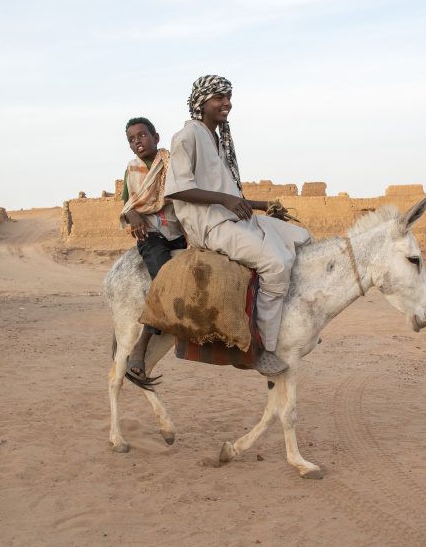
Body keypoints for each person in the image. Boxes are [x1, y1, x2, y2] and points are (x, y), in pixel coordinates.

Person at [164, 75, 311, 377]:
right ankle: (266, 348)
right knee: (276, 262)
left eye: (228, 97)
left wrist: (262, 206)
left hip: (235, 217)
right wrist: (229, 203)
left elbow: (228, 194)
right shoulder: (187, 136)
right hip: (212, 226)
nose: (226, 103)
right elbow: (177, 189)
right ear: (201, 102)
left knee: (302, 237)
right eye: (219, 97)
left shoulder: (218, 139)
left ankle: (289, 321)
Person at [121, 117, 187, 379]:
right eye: (131, 139)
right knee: (163, 279)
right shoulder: (132, 169)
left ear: (156, 137)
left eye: (142, 135)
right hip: (151, 235)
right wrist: (132, 214)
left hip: (179, 229)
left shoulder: (172, 164)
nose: (137, 142)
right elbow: (128, 204)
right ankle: (142, 344)